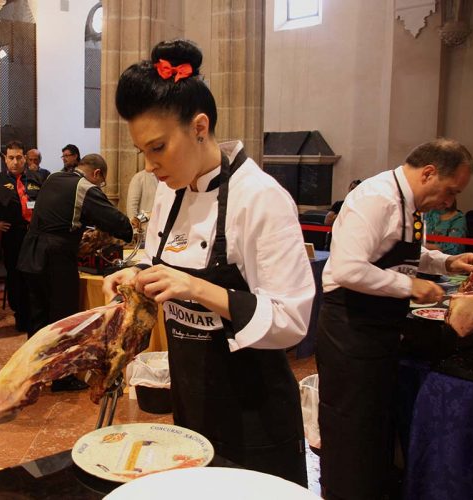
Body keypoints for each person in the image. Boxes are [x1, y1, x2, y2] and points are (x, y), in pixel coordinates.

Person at [103, 40, 314, 485]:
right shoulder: (170, 188)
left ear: (200, 127)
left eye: (158, 147)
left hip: (253, 408)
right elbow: (160, 255)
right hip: (193, 395)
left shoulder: (261, 198)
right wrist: (137, 273)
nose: (151, 165)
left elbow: (291, 320)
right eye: (143, 150)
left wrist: (195, 288)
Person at [316, 138, 473, 500]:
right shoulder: (376, 198)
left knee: (374, 424)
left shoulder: (409, 205)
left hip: (378, 328)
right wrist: (410, 286)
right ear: (428, 173)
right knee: (350, 426)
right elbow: (347, 269)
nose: (449, 201)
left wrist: (446, 262)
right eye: (450, 191)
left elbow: (404, 251)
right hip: (349, 327)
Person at [18, 153, 133, 392]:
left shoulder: (53, 178)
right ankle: (62, 378)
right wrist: (129, 230)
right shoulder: (85, 187)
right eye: (101, 183)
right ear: (97, 174)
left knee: (38, 317)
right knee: (63, 319)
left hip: (31, 252)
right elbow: (117, 222)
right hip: (56, 258)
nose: (99, 187)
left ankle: (32, 375)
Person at [0, 140, 42, 333]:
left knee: (34, 276)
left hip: (34, 236)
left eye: (18, 157)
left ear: (24, 158)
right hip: (13, 236)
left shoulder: (37, 178)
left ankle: (36, 316)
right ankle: (20, 316)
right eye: (11, 158)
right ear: (5, 159)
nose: (15, 162)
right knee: (16, 278)